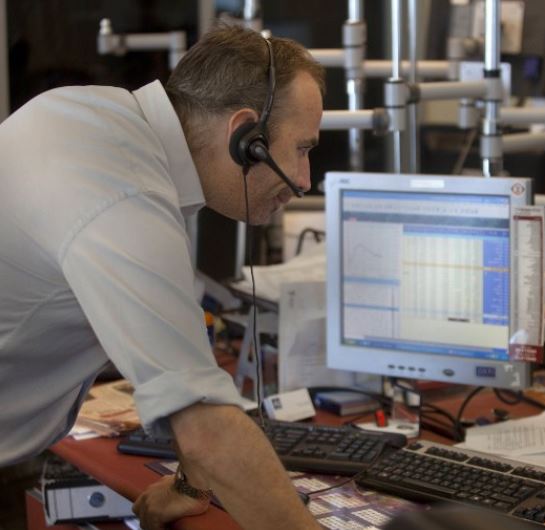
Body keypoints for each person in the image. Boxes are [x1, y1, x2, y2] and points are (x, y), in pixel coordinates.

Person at [0, 25, 323, 530]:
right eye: (302, 149)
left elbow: (182, 355)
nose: (303, 180)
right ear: (246, 137)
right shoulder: (122, 188)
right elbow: (207, 429)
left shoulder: (101, 124)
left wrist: (190, 485)